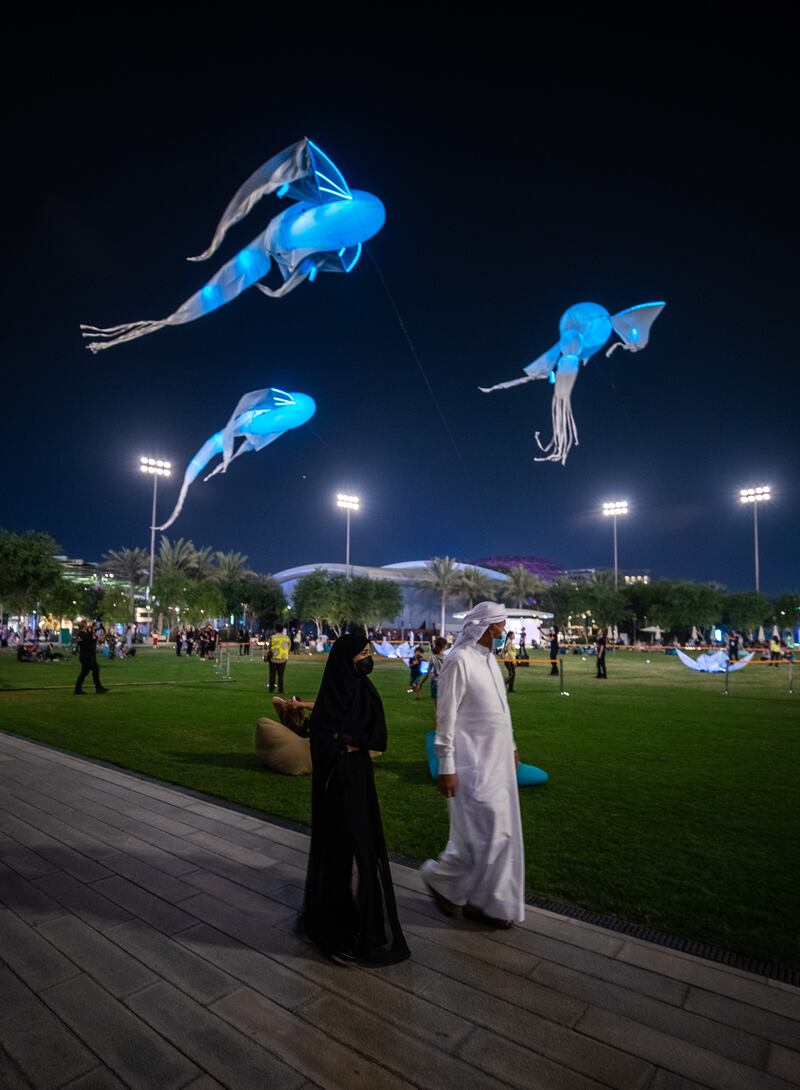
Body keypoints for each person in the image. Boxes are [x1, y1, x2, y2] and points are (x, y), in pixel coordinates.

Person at [302, 631, 410, 966]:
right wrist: (340, 743)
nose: (367, 657)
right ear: (344, 658)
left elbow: (378, 737)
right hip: (336, 783)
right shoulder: (333, 691)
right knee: (337, 852)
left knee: (365, 850)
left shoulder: (365, 691)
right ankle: (336, 924)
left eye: (368, 650)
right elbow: (319, 734)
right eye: (361, 652)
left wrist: (349, 740)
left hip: (358, 779)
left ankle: (370, 928)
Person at [421, 602, 524, 931]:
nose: (503, 627)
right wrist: (446, 764)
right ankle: (441, 880)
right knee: (486, 835)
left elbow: (501, 712)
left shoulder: (489, 660)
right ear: (487, 626)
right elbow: (445, 719)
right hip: (472, 765)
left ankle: (485, 903)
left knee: (501, 834)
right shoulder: (459, 660)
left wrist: (512, 747)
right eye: (500, 622)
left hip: (498, 763)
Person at [74, 621, 109, 695]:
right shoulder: (82, 634)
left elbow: (98, 639)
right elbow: (91, 638)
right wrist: (93, 630)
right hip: (87, 657)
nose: (87, 625)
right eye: (86, 624)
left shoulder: (85, 634)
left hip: (89, 656)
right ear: (84, 626)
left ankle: (79, 689)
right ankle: (98, 688)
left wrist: (103, 632)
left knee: (86, 672)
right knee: (93, 670)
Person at [267, 627, 291, 692]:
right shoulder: (287, 638)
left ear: (276, 630)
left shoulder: (272, 637)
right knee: (281, 675)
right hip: (283, 658)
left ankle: (271, 689)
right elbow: (289, 648)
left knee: (272, 675)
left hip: (273, 658)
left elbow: (269, 647)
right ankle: (281, 689)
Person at [429, 637, 447, 720]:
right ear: (444, 646)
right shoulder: (448, 658)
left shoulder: (432, 658)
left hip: (435, 682)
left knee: (437, 708)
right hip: (445, 682)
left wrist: (421, 683)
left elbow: (428, 672)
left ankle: (437, 730)